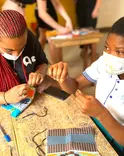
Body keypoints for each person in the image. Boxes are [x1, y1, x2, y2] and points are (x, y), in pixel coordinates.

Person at [38, 17, 124, 155]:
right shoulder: (103, 63)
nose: (109, 55)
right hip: (96, 125)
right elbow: (76, 85)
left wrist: (101, 113)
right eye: (106, 47)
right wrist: (63, 79)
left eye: (120, 52)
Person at [0, 10, 48, 107]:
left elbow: (42, 62)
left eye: (22, 47)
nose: (16, 55)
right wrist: (5, 97)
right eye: (9, 50)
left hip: (27, 101)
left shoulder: (26, 35)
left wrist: (39, 73)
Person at [75, 0, 101, 68]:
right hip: (80, 7)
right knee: (83, 34)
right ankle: (85, 60)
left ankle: (93, 60)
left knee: (92, 34)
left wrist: (96, 9)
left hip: (91, 7)